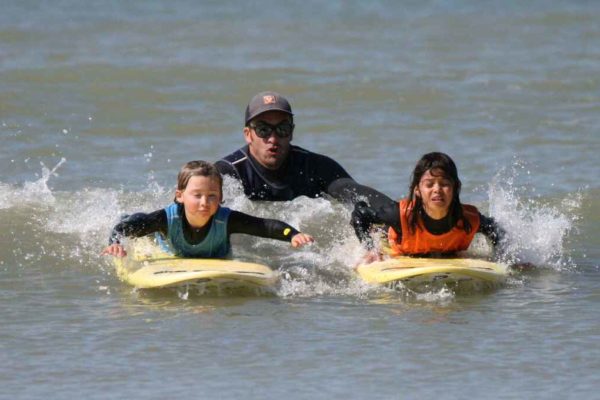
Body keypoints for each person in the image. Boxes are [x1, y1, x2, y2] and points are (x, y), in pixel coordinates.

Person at [101, 160, 314, 258]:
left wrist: (293, 235)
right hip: (165, 245)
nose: (204, 202)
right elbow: (122, 229)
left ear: (220, 198)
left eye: (212, 196)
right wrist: (115, 244)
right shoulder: (166, 219)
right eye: (197, 195)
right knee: (139, 222)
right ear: (180, 196)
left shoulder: (226, 219)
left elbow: (265, 226)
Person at [215, 91, 393, 207]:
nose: (273, 138)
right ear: (248, 134)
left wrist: (398, 214)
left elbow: (353, 191)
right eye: (263, 130)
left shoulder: (313, 166)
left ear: (291, 132)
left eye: (282, 129)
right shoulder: (229, 172)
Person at [351, 152, 504, 263]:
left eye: (444, 184)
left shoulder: (469, 219)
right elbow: (360, 213)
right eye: (429, 184)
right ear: (417, 189)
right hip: (394, 231)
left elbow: (496, 230)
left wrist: (502, 257)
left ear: (455, 188)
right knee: (350, 190)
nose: (437, 189)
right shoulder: (399, 215)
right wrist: (370, 248)